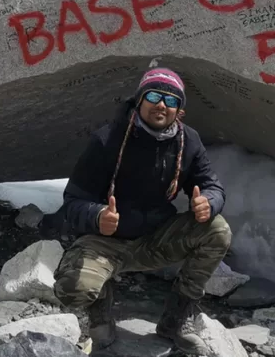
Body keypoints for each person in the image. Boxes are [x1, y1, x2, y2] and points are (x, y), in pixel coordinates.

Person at [55, 67, 230, 354]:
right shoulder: (106, 140)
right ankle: (100, 310)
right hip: (107, 241)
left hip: (157, 239)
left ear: (179, 111)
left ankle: (176, 319)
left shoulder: (189, 142)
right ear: (139, 100)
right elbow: (73, 201)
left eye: (172, 100)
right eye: (154, 95)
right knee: (72, 288)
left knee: (217, 230)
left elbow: (212, 186)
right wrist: (98, 216)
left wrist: (209, 202)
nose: (162, 104)